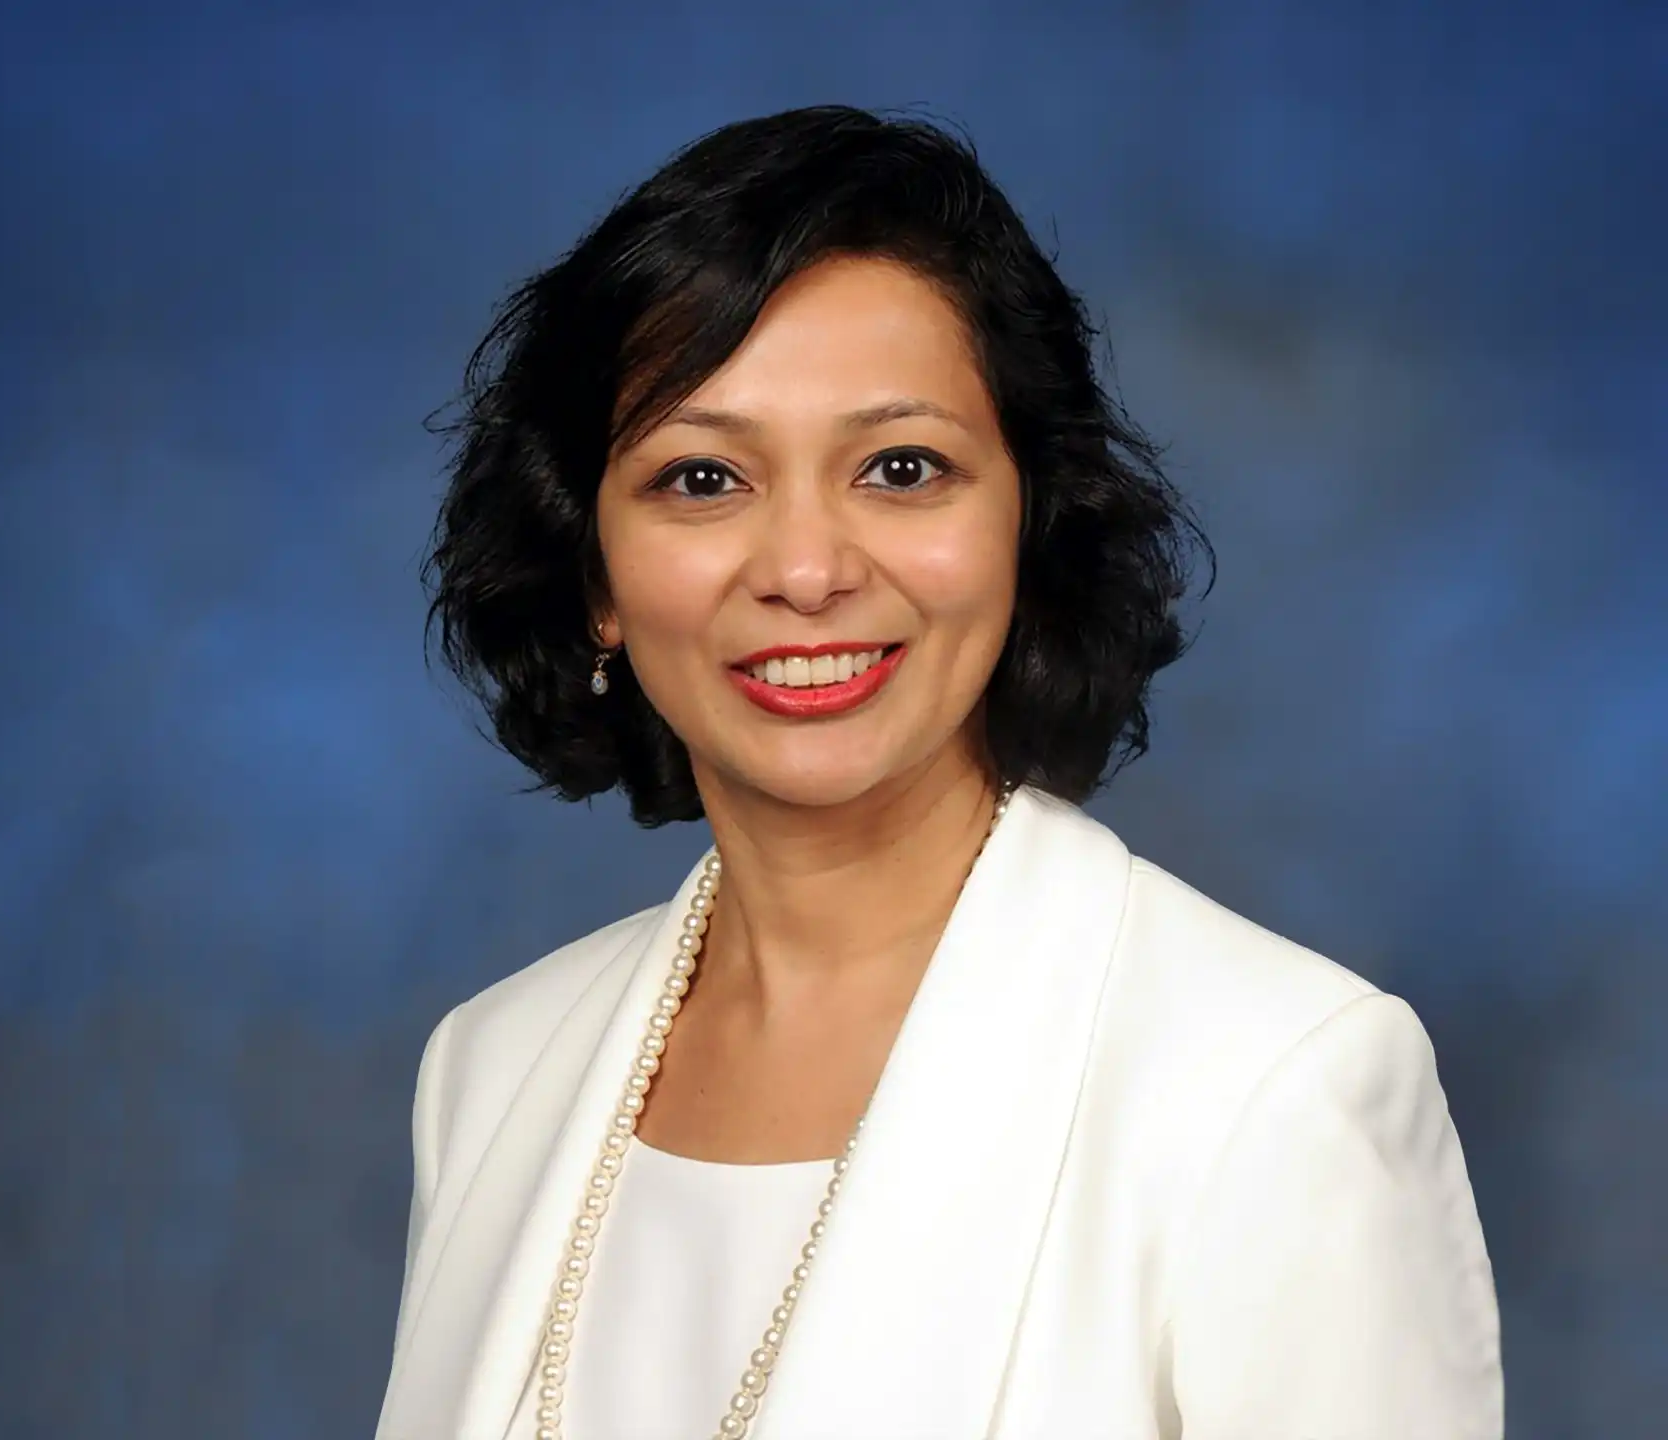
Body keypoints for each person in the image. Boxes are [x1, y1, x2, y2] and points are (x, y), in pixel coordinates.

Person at [377, 106, 1502, 1440]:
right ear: (593, 578)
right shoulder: (495, 1069)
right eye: (701, 478)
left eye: (901, 469)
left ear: (1028, 522)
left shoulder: (1276, 1089)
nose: (804, 569)